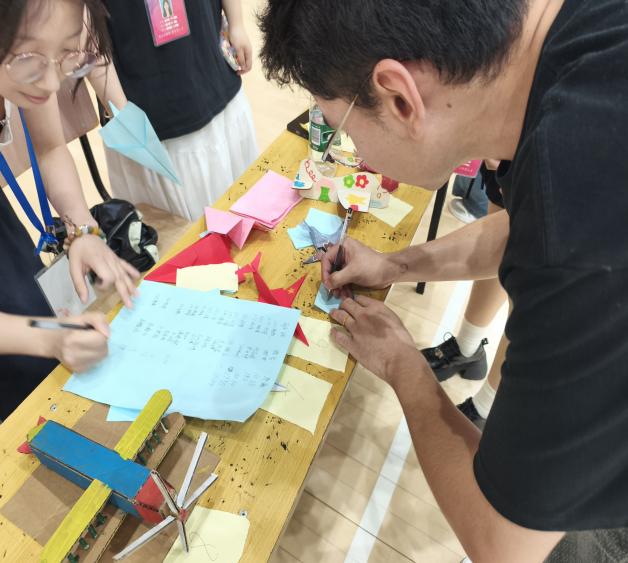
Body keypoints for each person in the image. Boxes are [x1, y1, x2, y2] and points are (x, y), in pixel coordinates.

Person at [259, 1, 628, 561]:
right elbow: (525, 227)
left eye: (343, 130)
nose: (355, 153)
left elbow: (503, 544)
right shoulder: (577, 42)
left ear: (400, 99)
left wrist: (402, 366)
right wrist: (397, 265)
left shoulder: (581, 206)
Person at [0, 0, 140, 419]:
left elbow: (50, 147)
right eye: (29, 60)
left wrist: (83, 230)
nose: (50, 82)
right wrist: (47, 338)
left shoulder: (31, 60)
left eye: (66, 54)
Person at [92, 0, 258, 222]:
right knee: (188, 234)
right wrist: (120, 111)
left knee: (249, 212)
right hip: (149, 119)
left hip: (213, 72)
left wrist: (236, 23)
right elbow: (85, 30)